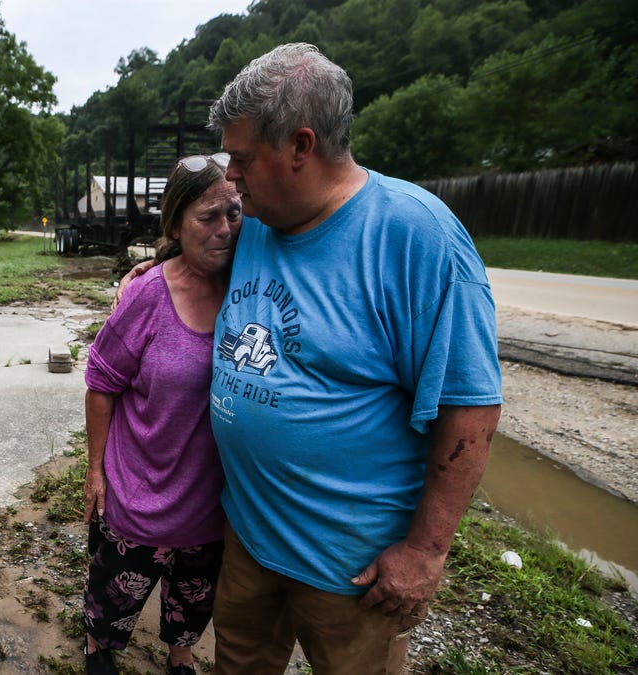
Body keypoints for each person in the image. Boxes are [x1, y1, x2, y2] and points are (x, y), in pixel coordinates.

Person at [203, 43, 503, 673]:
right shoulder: (258, 218)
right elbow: (198, 266)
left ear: (301, 147)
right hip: (250, 539)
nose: (230, 175)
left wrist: (424, 553)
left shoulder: (417, 238)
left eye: (242, 158)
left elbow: (470, 407)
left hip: (351, 571)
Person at [81, 153, 242, 675]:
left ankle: (181, 652)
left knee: (195, 591)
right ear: (175, 224)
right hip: (140, 488)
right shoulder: (148, 293)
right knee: (115, 587)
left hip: (211, 498)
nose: (224, 229)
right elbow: (101, 381)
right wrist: (95, 469)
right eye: (207, 217)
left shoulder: (252, 284)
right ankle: (98, 645)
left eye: (234, 214)